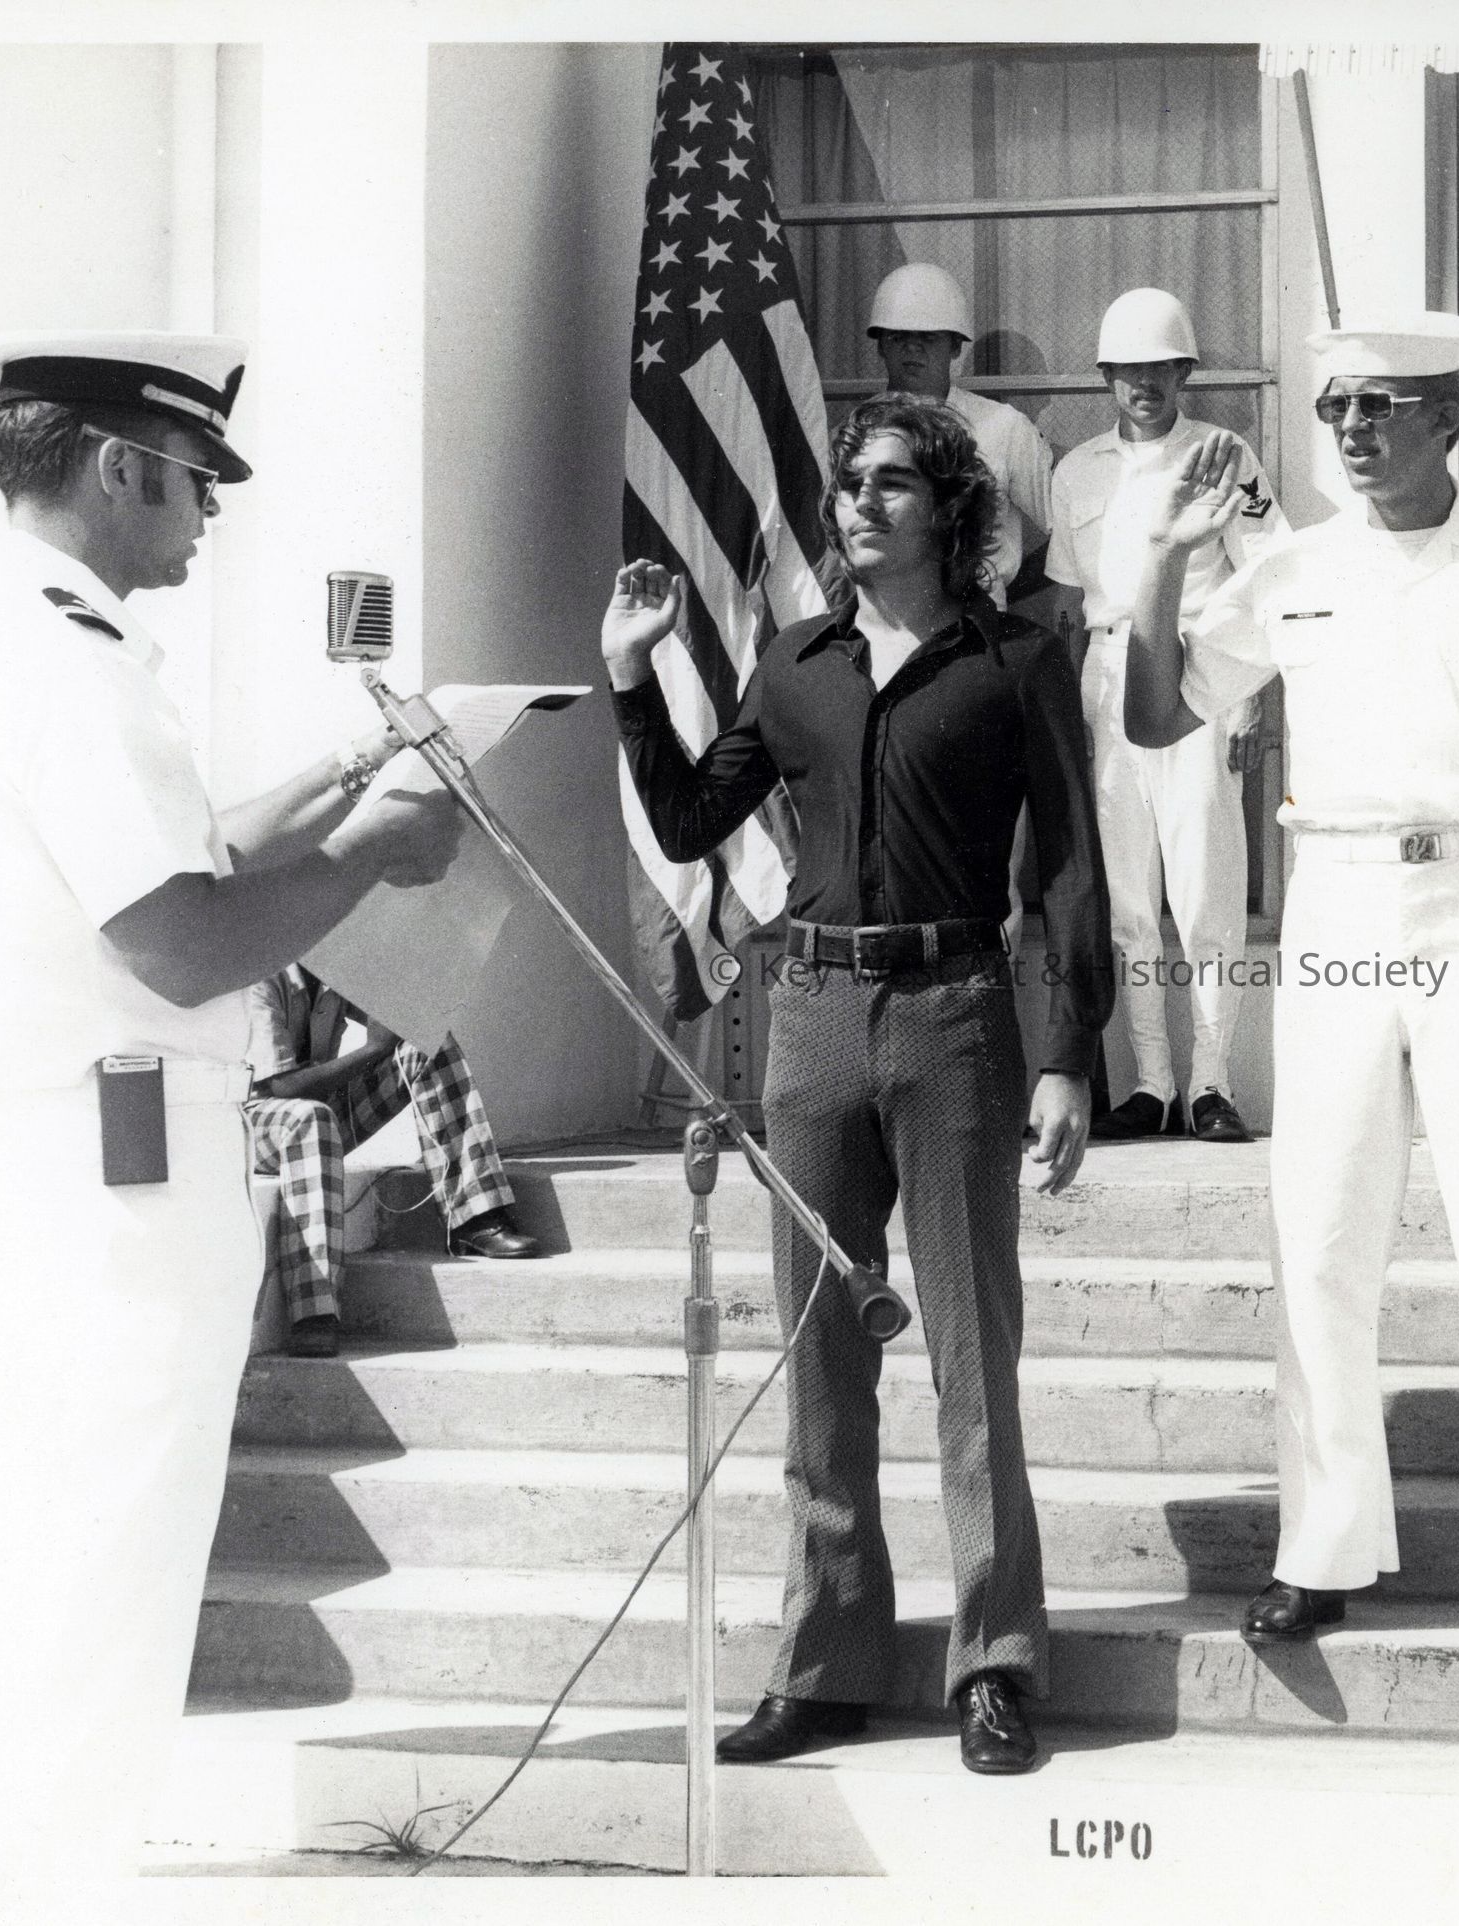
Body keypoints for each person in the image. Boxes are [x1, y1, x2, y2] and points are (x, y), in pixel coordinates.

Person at [0, 330, 463, 1868]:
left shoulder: (30, 642)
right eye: (195, 477)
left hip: (91, 1184)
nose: (212, 511)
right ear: (118, 468)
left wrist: (353, 767)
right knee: (96, 1620)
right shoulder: (72, 666)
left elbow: (190, 849)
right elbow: (176, 939)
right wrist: (372, 851)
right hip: (119, 1196)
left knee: (78, 1609)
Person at [604, 394, 1112, 1774]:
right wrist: (633, 678)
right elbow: (689, 821)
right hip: (812, 1019)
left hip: (956, 1020)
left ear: (951, 508)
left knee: (971, 1357)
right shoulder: (797, 663)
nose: (860, 503)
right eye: (848, 484)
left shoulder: (1016, 661)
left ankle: (994, 1665)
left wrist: (1069, 1052)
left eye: (891, 482)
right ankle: (826, 1663)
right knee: (821, 1355)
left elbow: (1070, 866)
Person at [1123, 312, 1459, 1654]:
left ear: (1451, 416)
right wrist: (1163, 564)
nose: (1351, 428)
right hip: (1336, 902)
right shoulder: (1292, 569)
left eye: (1382, 405)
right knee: (1323, 1238)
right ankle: (1324, 1547)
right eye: (1337, 406)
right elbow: (1157, 714)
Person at [1045, 288, 1288, 1142]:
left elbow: (1267, 577)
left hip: (1198, 675)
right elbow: (1068, 604)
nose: (1144, 384)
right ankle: (1149, 1085)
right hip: (1109, 672)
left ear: (1185, 372)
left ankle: (1211, 1084)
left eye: (1161, 368)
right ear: (1106, 377)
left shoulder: (1224, 454)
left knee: (1205, 886)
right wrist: (1070, 714)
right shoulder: (1077, 471)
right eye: (1127, 370)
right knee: (1128, 895)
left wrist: (1250, 694)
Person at [245, 965, 541, 1359]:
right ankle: (313, 1314)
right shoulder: (263, 977)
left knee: (427, 1044)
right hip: (254, 1124)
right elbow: (280, 1087)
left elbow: (399, 1022)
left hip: (318, 1121)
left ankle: (474, 1218)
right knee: (310, 1116)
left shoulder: (334, 970)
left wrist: (402, 996)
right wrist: (372, 1050)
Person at [865, 262, 1056, 608]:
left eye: (929, 337)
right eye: (899, 337)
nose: (913, 348)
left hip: (975, 617)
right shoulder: (858, 433)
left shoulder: (1004, 427)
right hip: (885, 616)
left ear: (955, 346)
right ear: (880, 345)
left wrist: (1000, 590)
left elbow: (1066, 530)